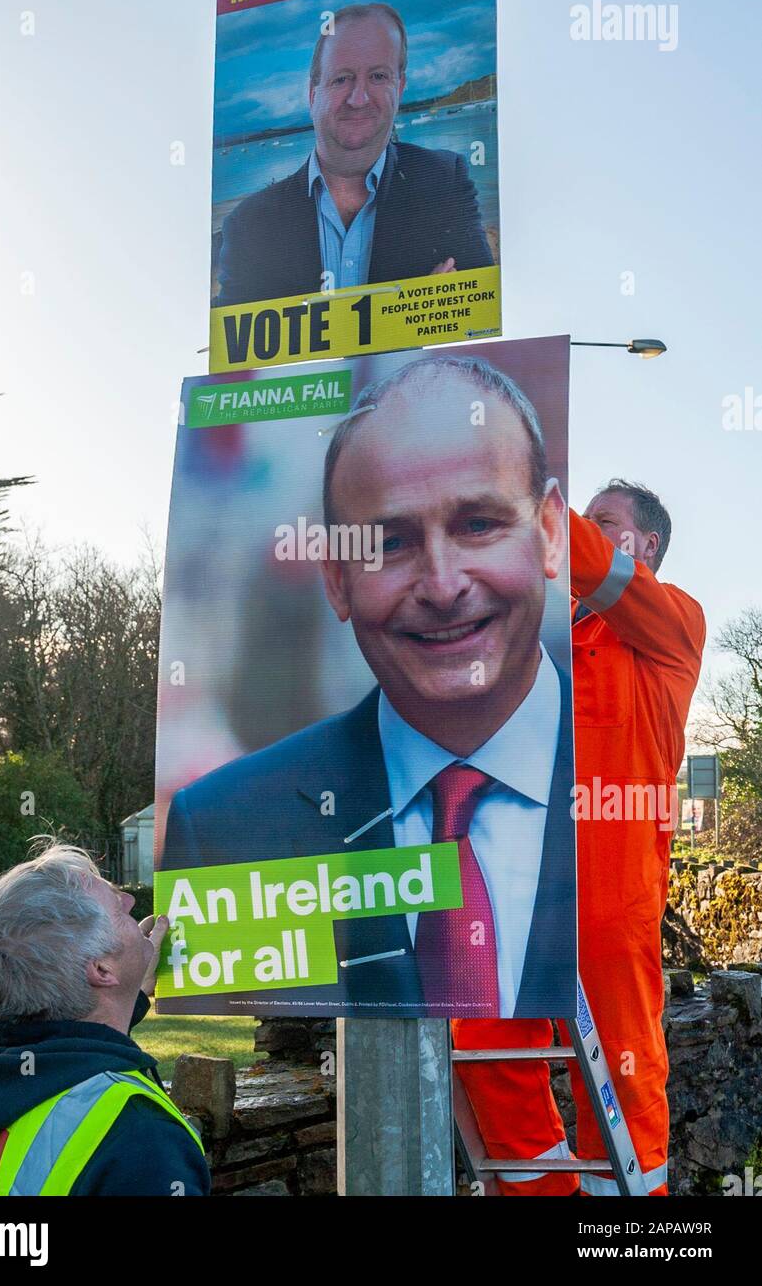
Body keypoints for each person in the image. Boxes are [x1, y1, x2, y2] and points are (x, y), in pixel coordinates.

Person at [161, 354, 576, 1019]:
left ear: (551, 532)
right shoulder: (225, 832)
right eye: (389, 541)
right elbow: (253, 1056)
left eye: (478, 525)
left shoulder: (624, 784)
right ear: (335, 578)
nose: (442, 587)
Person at [453, 480, 706, 1197]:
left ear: (645, 545)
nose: (586, 532)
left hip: (610, 893)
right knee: (486, 1044)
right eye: (583, 520)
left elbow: (593, 564)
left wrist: (515, 489)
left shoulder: (673, 622)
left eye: (604, 522)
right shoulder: (541, 627)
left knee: (623, 1067)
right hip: (514, 885)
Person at [0, 842, 210, 1197]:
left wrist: (130, 994)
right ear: (101, 968)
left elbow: (63, 1054)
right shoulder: (141, 1133)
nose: (129, 900)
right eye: (116, 907)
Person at [214, 3, 493, 307]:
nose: (358, 99)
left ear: (399, 89)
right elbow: (236, 343)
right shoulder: (250, 224)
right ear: (312, 95)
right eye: (341, 79)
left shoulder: (444, 180)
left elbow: (477, 310)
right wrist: (410, 306)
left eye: (377, 77)